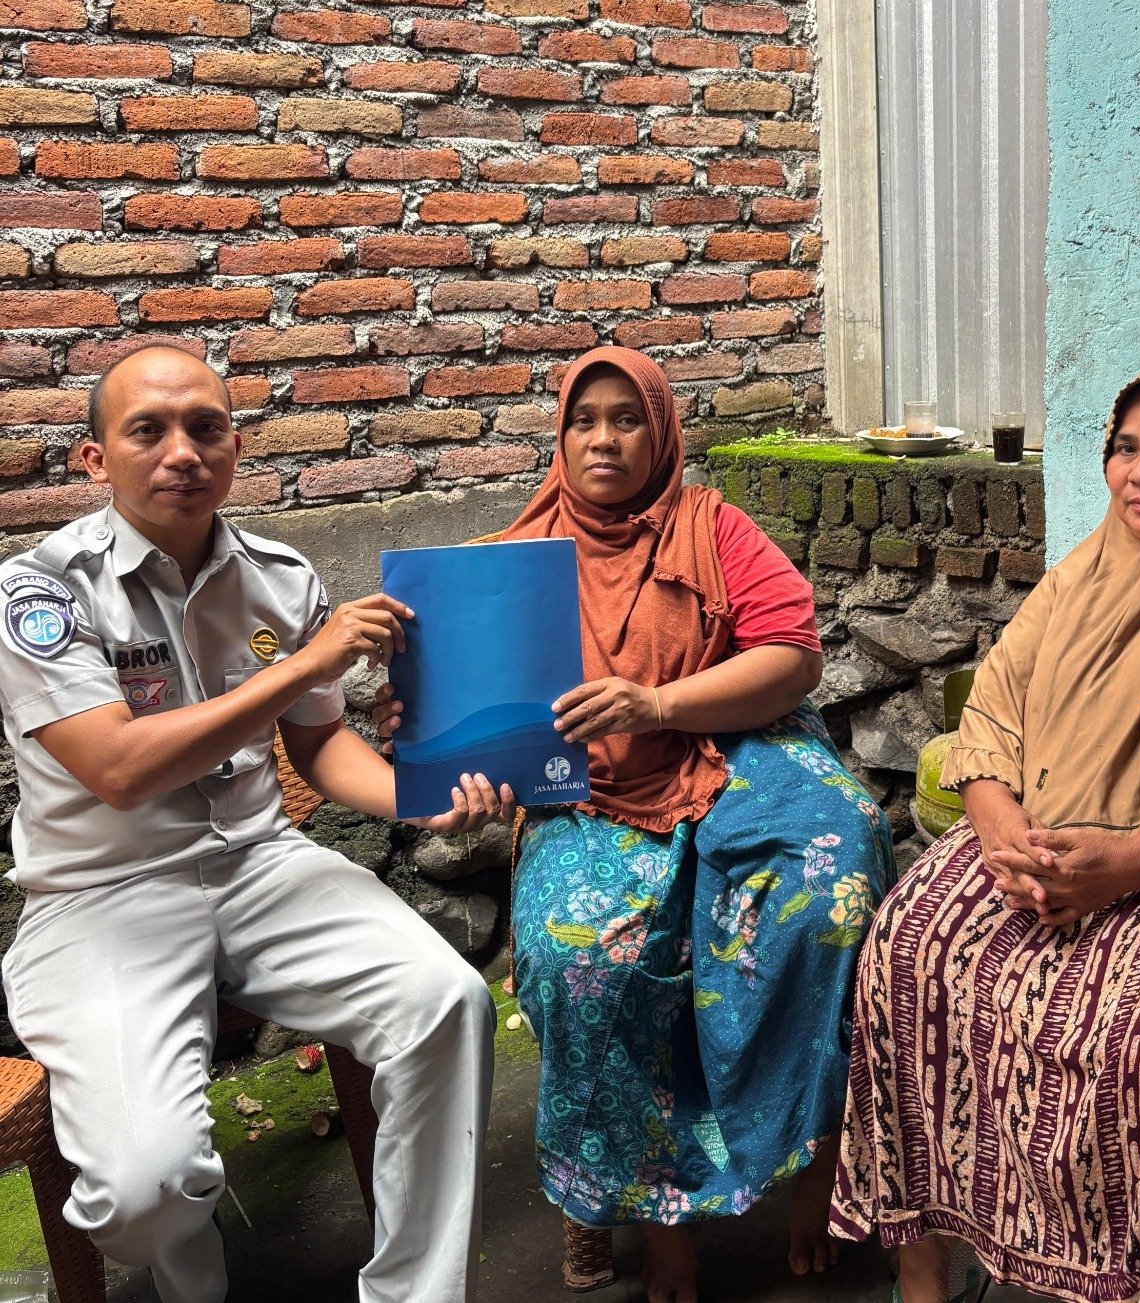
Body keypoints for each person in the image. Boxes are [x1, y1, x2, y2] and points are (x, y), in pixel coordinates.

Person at [377, 345, 892, 1303]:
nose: (604, 439)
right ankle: (652, 1212)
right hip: (592, 788)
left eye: (627, 419)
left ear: (661, 433)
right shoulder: (506, 567)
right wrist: (427, 729)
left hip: (734, 744)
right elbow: (456, 716)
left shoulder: (712, 526)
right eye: (584, 419)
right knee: (586, 956)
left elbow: (792, 654)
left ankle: (814, 1160)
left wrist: (656, 703)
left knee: (831, 884)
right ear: (560, 436)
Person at [0, 344, 511, 1303]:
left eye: (205, 428)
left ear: (235, 447)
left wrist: (417, 797)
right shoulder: (42, 591)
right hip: (100, 896)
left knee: (448, 1002)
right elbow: (118, 769)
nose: (182, 451)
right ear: (95, 458)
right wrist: (306, 664)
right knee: (144, 1188)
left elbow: (318, 746)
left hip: (261, 864)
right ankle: (193, 1282)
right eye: (148, 430)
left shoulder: (278, 574)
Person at [830, 366, 1140, 1303]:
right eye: (1125, 449)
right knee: (910, 946)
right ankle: (925, 1266)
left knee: (1132, 1031)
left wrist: (1122, 866)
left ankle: (1106, 1274)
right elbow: (993, 714)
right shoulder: (1089, 567)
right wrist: (1001, 833)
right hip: (1034, 843)